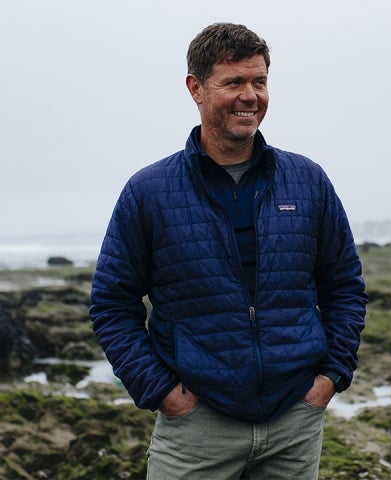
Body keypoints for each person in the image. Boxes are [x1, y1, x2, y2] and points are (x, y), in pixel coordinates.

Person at [90, 22, 367, 480]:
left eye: (259, 81)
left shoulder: (308, 181)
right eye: (234, 82)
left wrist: (329, 379)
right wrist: (163, 392)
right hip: (197, 425)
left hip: (294, 421)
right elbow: (112, 304)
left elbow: (344, 288)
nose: (250, 95)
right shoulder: (148, 191)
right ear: (195, 89)